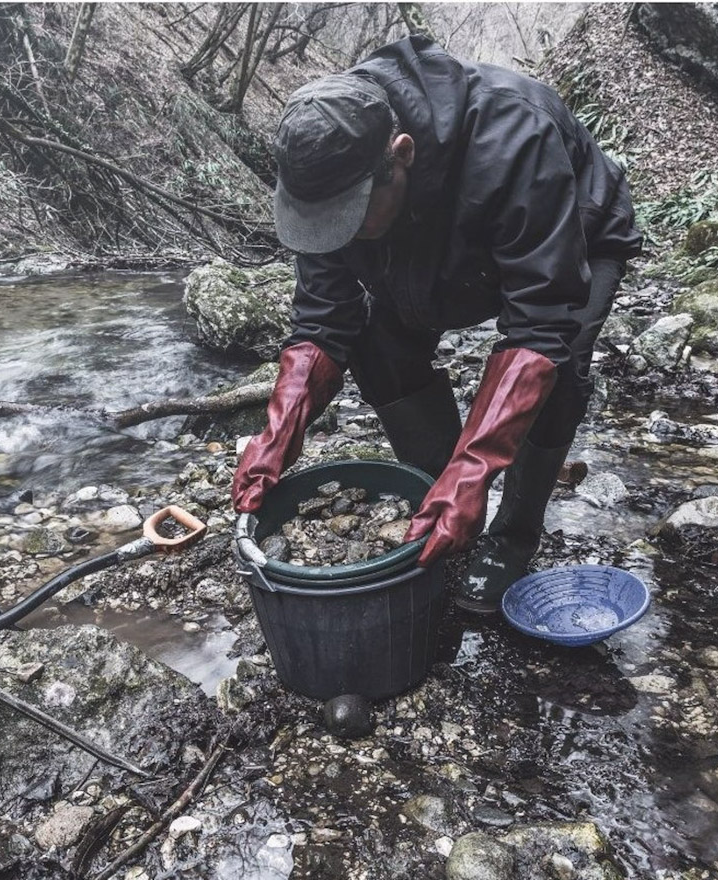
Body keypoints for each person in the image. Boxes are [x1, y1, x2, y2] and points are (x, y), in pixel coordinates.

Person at [231, 34, 642, 613]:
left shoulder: (512, 132)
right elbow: (326, 321)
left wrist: (475, 471)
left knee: (559, 370)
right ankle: (433, 491)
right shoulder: (327, 168)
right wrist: (277, 438)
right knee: (377, 346)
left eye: (349, 218)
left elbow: (541, 320)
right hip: (429, 248)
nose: (335, 234)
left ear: (400, 154)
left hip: (571, 234)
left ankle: (512, 534)